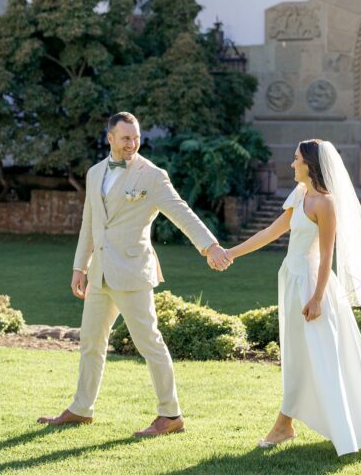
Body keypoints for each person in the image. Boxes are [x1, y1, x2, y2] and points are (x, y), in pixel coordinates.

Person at [38, 111, 232, 437]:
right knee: (91, 343)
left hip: (132, 273)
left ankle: (171, 414)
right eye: (126, 138)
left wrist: (210, 246)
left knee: (149, 344)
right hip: (99, 273)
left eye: (137, 138)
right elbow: (90, 223)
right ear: (110, 138)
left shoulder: (152, 176)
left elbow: (181, 212)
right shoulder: (94, 173)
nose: (132, 144)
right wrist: (79, 267)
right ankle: (81, 409)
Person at [227, 139, 361, 456]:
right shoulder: (300, 195)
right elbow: (271, 232)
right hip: (291, 280)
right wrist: (230, 254)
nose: (291, 164)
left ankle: (354, 427)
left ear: (310, 164)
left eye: (296, 159)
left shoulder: (325, 203)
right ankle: (285, 425)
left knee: (325, 357)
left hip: (312, 286)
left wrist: (317, 298)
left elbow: (327, 255)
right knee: (296, 356)